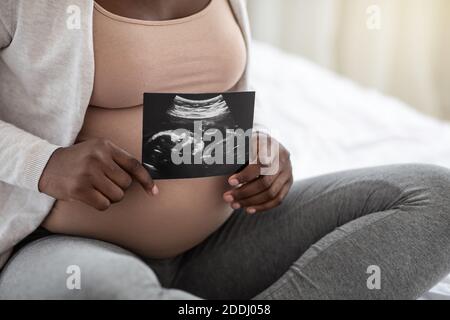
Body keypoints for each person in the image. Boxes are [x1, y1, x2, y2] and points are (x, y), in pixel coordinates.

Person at [0, 0, 449, 300]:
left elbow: (222, 99)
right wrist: (45, 163)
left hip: (226, 243)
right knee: (111, 292)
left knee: (437, 200)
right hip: (68, 250)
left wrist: (263, 148)